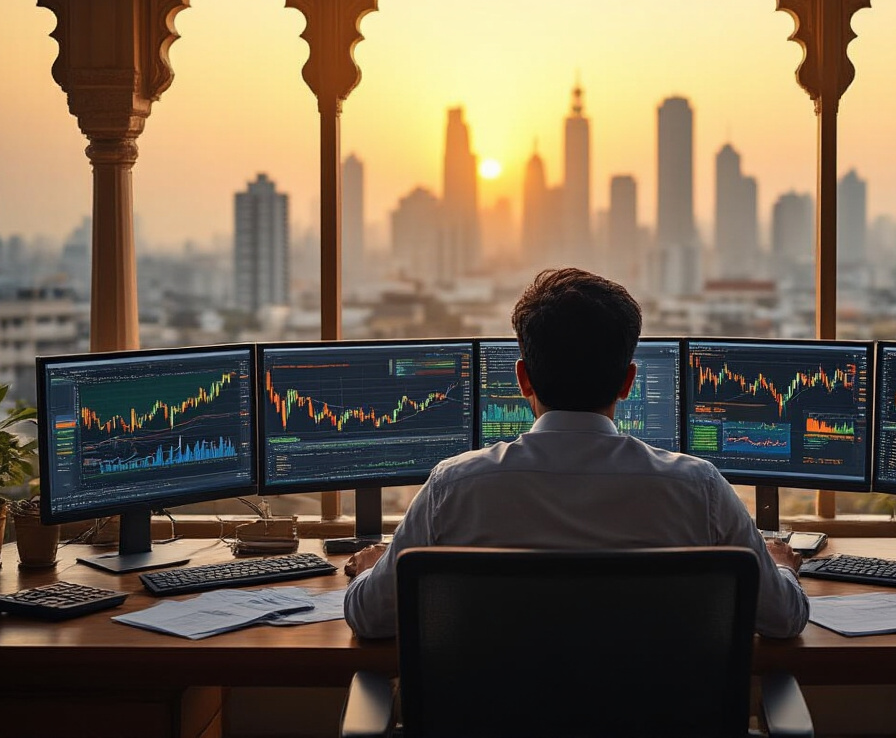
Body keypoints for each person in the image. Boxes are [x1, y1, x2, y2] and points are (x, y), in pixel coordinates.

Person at [343, 268, 809, 638]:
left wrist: (369, 572)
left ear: (523, 379)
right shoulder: (699, 488)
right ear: (628, 382)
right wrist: (783, 569)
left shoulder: (454, 487)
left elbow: (371, 620)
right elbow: (783, 620)